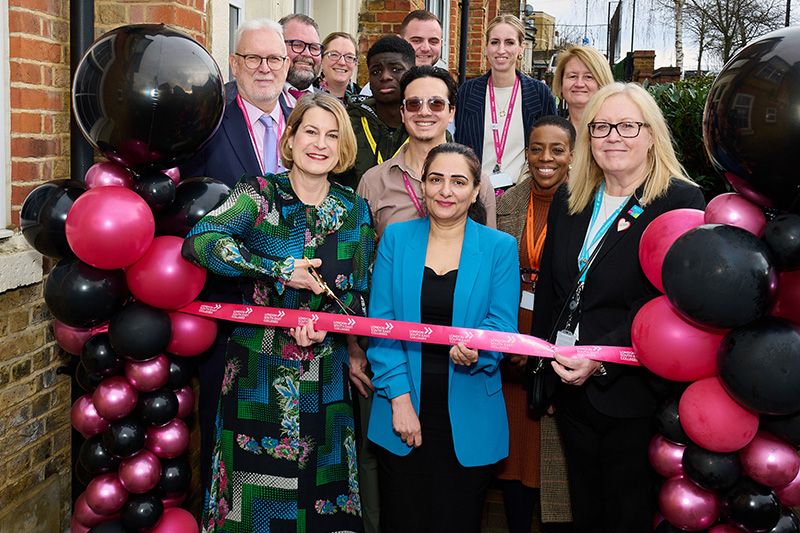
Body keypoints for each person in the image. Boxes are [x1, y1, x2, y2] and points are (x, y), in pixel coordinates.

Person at [183, 92, 375, 533]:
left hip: (326, 382)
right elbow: (200, 240)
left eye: (332, 135)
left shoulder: (354, 209)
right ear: (290, 139)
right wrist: (277, 270)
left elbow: (360, 295)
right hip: (258, 375)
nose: (319, 143)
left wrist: (331, 329)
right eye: (310, 131)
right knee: (252, 510)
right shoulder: (259, 194)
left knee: (322, 504)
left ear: (343, 147)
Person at [531, 82, 706, 532]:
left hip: (634, 393)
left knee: (627, 515)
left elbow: (669, 303)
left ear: (651, 134)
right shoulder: (571, 200)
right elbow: (554, 289)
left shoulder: (681, 203)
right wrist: (545, 373)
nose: (614, 137)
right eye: (602, 127)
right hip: (570, 387)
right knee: (584, 511)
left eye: (628, 126)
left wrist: (601, 357)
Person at [367, 143, 519, 533]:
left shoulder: (499, 247)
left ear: (475, 190)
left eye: (458, 181)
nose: (446, 191)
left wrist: (480, 350)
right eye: (436, 179)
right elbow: (381, 327)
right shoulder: (396, 239)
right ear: (423, 186)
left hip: (469, 417)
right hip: (401, 411)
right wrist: (399, 402)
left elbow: (503, 326)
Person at [177, 18, 291, 497]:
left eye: (274, 59)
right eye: (253, 58)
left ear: (289, 64)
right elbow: (184, 206)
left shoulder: (312, 120)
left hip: (298, 313)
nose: (264, 68)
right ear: (233, 62)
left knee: (292, 441)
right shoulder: (206, 121)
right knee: (226, 441)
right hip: (229, 312)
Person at [495, 115, 575, 533]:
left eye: (557, 150)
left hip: (557, 335)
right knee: (514, 448)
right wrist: (507, 343)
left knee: (552, 450)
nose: (546, 158)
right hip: (510, 332)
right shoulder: (504, 203)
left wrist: (542, 348)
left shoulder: (585, 206)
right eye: (537, 148)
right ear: (526, 153)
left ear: (572, 156)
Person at [358, 66, 497, 237]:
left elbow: (489, 252)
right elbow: (362, 257)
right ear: (403, 113)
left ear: (451, 112)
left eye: (436, 104)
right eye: (414, 104)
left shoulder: (477, 182)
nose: (424, 112)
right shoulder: (373, 182)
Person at [455, 14, 556, 192]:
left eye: (509, 42)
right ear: (486, 47)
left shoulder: (540, 94)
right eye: (494, 42)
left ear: (521, 48)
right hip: (474, 195)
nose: (501, 49)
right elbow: (459, 146)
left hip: (523, 196)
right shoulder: (467, 92)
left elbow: (551, 148)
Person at [337, 36, 415, 189]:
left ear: (412, 74)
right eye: (376, 71)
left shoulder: (429, 128)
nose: (385, 76)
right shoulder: (347, 126)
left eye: (396, 69)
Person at [360, 10, 445, 97]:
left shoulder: (446, 89)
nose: (426, 48)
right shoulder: (378, 90)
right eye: (416, 41)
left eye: (433, 41)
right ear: (400, 41)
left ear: (441, 44)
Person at [551, 46, 614, 132]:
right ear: (561, 83)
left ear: (602, 83)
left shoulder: (615, 134)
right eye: (572, 76)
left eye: (588, 77)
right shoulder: (553, 134)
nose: (579, 84)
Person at [280, 14, 325, 107]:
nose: (307, 53)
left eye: (313, 47)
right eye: (297, 45)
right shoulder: (260, 102)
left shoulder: (333, 107)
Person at [315, 32, 361, 104]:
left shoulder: (363, 100)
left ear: (355, 64)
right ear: (321, 60)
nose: (342, 62)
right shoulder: (304, 95)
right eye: (334, 55)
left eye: (349, 57)